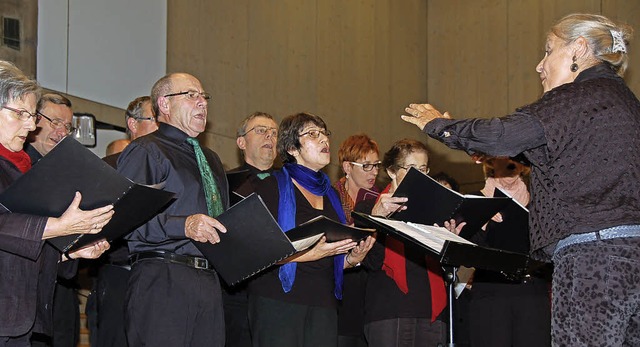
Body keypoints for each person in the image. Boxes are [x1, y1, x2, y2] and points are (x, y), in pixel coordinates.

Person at [401, 13, 640, 345]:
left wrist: (437, 126)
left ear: (579, 49)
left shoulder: (577, 96)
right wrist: (503, 153)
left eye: (548, 50)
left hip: (595, 258)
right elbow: (571, 156)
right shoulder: (621, 101)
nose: (539, 66)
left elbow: (502, 135)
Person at [0, 60, 113, 346]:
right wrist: (59, 225)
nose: (31, 124)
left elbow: (17, 246)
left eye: (32, 115)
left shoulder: (22, 167)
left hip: (16, 317)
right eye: (21, 114)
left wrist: (70, 253)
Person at [117, 73, 229, 347]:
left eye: (204, 97)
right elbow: (126, 219)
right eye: (191, 95)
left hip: (210, 282)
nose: (202, 102)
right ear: (164, 104)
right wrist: (184, 225)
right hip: (163, 279)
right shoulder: (146, 150)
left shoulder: (211, 159)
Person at [247, 112, 375, 347]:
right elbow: (256, 252)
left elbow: (328, 255)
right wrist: (311, 254)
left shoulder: (332, 195)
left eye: (324, 133)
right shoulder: (269, 187)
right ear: (292, 148)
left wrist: (352, 258)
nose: (324, 140)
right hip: (278, 301)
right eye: (313, 134)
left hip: (324, 303)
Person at [353, 138, 450, 347]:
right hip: (390, 309)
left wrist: (450, 239)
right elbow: (370, 261)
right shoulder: (368, 207)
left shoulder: (435, 211)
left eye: (424, 170)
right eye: (412, 168)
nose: (420, 176)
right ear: (392, 171)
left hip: (433, 310)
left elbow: (449, 268)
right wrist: (379, 218)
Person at [87, 96, 157, 347]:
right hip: (120, 274)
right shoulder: (107, 168)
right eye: (154, 119)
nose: (162, 126)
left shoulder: (172, 168)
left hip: (162, 279)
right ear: (133, 124)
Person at [24, 93, 92, 347]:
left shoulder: (68, 171)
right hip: (26, 289)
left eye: (67, 126)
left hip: (62, 286)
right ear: (34, 121)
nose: (61, 131)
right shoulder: (17, 167)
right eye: (54, 122)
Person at [464, 157, 551, 346]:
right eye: (504, 155)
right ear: (491, 162)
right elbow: (467, 254)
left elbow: (550, 252)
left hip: (532, 295)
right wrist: (483, 222)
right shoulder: (475, 200)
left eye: (516, 156)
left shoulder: (540, 203)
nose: (511, 161)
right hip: (491, 295)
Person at [223, 111, 278, 347]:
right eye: (261, 130)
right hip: (238, 293)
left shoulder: (291, 185)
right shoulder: (224, 183)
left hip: (282, 292)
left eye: (274, 133)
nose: (270, 136)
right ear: (241, 142)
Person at [333, 134, 381, 347]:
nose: (374, 172)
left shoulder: (381, 200)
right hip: (340, 287)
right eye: (366, 166)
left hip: (372, 292)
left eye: (376, 166)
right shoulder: (329, 197)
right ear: (347, 167)